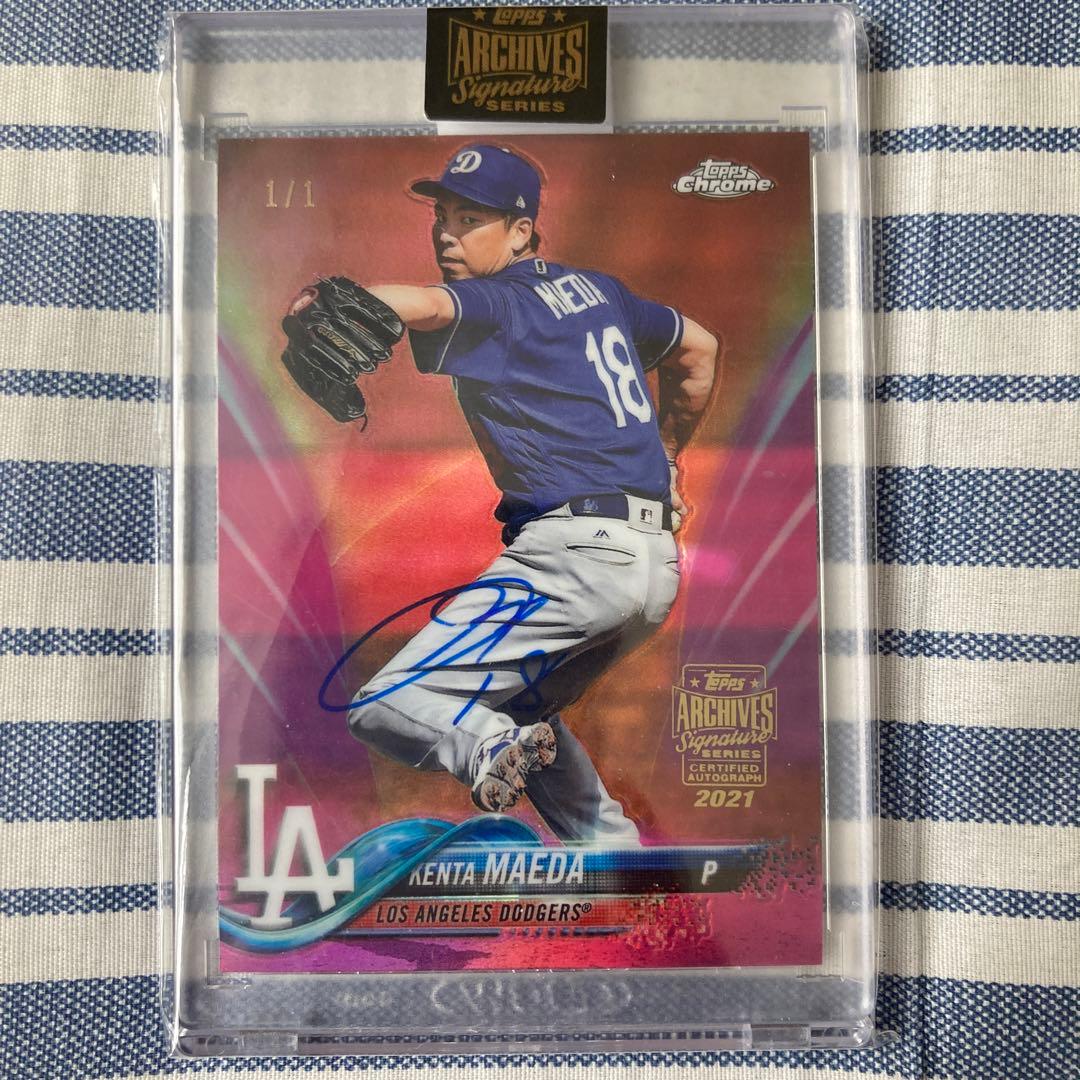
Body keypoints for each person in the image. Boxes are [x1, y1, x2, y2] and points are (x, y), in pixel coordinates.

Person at [337, 144, 718, 844]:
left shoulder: (497, 301)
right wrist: (667, 454)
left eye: (470, 219)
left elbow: (425, 303)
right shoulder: (602, 293)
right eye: (442, 217)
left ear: (520, 231)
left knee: (384, 703)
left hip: (574, 558)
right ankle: (612, 853)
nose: (447, 234)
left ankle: (484, 747)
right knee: (524, 709)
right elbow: (700, 347)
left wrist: (332, 303)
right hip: (653, 568)